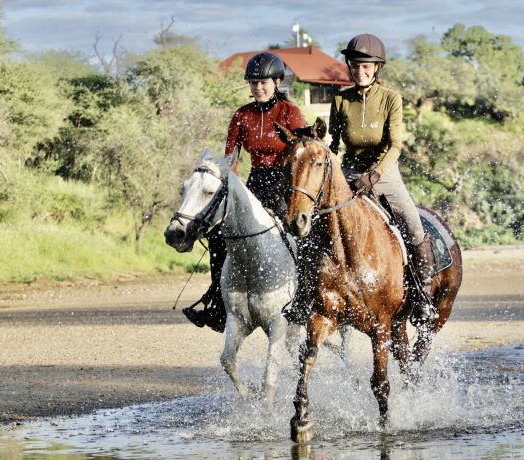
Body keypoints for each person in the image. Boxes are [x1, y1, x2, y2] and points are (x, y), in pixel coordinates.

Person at [284, 33, 435, 325]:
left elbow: (396, 145)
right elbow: (335, 144)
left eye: (366, 66)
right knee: (314, 231)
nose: (360, 71)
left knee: (414, 228)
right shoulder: (340, 98)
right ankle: (304, 298)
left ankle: (422, 297)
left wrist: (375, 174)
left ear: (377, 68)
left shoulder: (391, 98)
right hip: (350, 172)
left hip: (385, 172)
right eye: (355, 66)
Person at [183, 52, 307, 332]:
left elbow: (303, 154)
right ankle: (217, 301)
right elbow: (231, 160)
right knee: (217, 236)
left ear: (277, 82)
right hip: (253, 186)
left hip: (286, 185)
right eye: (253, 83)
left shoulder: (291, 113)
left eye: (263, 82)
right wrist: (230, 193)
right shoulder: (242, 115)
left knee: (304, 236)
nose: (258, 88)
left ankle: (304, 300)